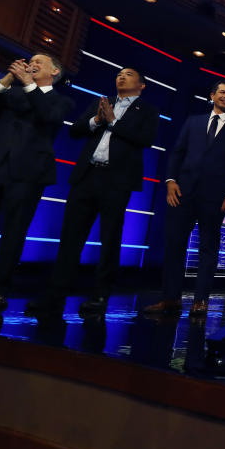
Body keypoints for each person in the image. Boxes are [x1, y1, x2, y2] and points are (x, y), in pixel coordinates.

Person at [27, 67, 158, 316]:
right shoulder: (100, 103)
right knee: (70, 239)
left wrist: (114, 122)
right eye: (119, 73)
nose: (121, 76)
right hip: (87, 177)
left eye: (128, 74)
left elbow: (146, 139)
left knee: (109, 240)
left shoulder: (148, 111)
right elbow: (74, 131)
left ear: (141, 85)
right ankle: (54, 295)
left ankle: (100, 295)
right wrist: (97, 120)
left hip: (117, 182)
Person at [142, 81, 225, 318]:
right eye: (222, 92)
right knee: (174, 246)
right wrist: (170, 181)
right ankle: (170, 298)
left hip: (216, 196)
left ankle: (201, 300)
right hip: (183, 193)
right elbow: (178, 153)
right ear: (212, 95)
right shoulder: (193, 122)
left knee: (208, 249)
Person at [0, 53, 74, 312]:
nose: (33, 64)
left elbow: (47, 116)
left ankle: (0, 288)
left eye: (39, 62)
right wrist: (9, 78)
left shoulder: (61, 101)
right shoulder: (13, 93)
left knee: (13, 233)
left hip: (28, 174)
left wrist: (27, 83)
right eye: (31, 60)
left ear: (54, 72)